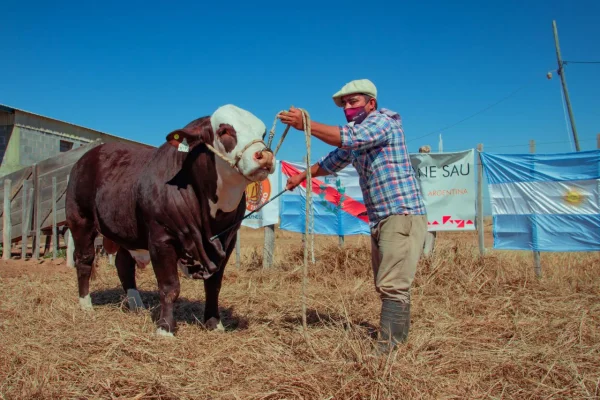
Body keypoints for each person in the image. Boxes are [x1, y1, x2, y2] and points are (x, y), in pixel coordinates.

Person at [278, 79, 428, 352]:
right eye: (344, 103)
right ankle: (398, 342)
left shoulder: (383, 123)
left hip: (400, 213)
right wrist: (301, 175)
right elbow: (331, 161)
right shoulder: (360, 133)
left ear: (371, 103)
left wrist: (307, 125)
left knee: (392, 283)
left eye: (354, 101)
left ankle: (388, 350)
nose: (348, 107)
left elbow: (348, 138)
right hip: (382, 216)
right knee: (388, 282)